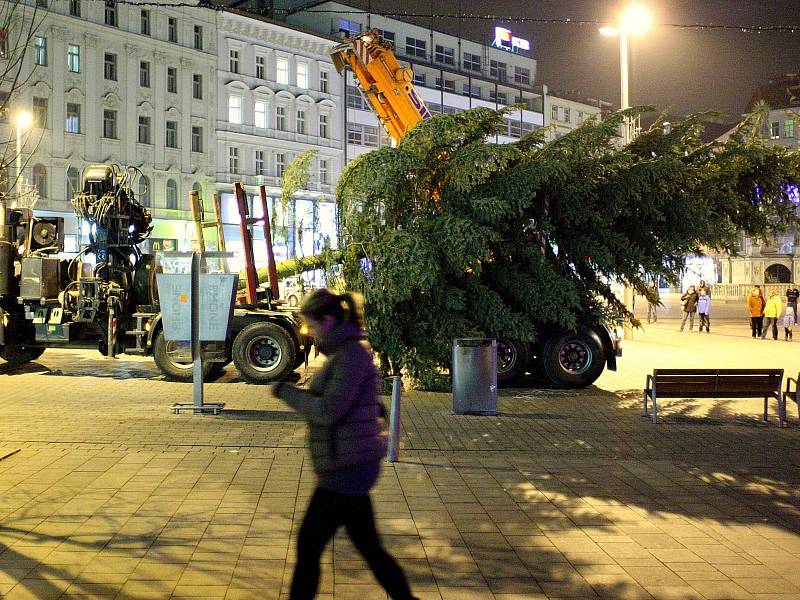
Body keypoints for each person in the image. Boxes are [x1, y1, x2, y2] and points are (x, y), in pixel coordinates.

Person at [271, 289, 418, 600]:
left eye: (311, 325)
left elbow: (329, 411)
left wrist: (286, 392)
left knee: (309, 543)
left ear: (327, 320)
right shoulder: (345, 354)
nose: (309, 332)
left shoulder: (350, 355)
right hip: (351, 464)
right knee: (368, 547)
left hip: (346, 468)